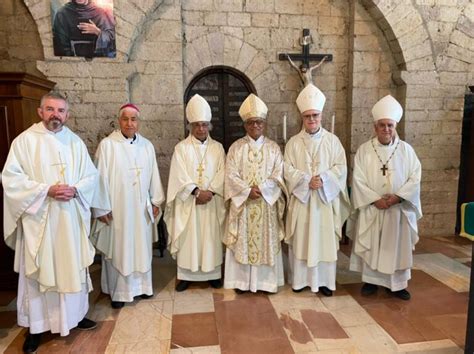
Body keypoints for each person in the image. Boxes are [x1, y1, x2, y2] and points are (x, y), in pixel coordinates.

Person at [2, 92, 99, 353]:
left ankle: (74, 317)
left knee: (72, 267)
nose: (56, 115)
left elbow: (91, 176)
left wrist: (76, 189)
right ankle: (36, 328)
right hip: (39, 221)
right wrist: (46, 190)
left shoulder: (75, 142)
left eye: (61, 110)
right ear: (40, 111)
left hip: (69, 220)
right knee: (39, 272)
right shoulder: (24, 142)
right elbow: (11, 179)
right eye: (50, 109)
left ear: (67, 114)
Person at [348, 95, 422, 301]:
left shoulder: (407, 151)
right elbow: (358, 179)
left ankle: (397, 285)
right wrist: (374, 199)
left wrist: (397, 198)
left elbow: (415, 177)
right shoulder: (364, 150)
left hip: (398, 210)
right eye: (382, 125)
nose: (386, 129)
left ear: (395, 125)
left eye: (390, 125)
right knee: (373, 243)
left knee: (396, 247)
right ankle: (371, 281)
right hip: (374, 208)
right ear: (375, 127)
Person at [91, 103, 164, 309]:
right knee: (120, 247)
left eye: (134, 119)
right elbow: (99, 178)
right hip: (117, 209)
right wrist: (101, 208)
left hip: (141, 208)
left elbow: (153, 175)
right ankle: (118, 292)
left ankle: (142, 287)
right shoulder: (107, 145)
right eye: (126, 119)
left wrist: (156, 200)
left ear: (138, 122)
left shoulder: (147, 146)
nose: (130, 123)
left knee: (140, 248)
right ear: (119, 121)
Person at [284, 84, 350, 296]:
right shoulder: (293, 143)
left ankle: (324, 282)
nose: (312, 120)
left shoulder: (333, 141)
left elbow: (341, 167)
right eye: (307, 116)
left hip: (323, 201)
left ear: (322, 115)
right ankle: (300, 281)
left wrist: (323, 179)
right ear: (302, 118)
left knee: (323, 241)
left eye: (315, 115)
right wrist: (305, 181)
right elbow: (287, 169)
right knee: (302, 240)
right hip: (302, 202)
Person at [223, 93, 287, 294]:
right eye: (251, 123)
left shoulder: (273, 148)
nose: (255, 126)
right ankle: (242, 282)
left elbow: (278, 174)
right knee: (243, 241)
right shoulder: (236, 148)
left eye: (259, 122)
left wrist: (263, 190)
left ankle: (265, 283)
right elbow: (230, 174)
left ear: (264, 124)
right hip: (244, 204)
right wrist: (246, 191)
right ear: (245, 125)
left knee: (265, 242)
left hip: (265, 204)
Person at [164, 94, 226, 292]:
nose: (201, 128)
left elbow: (223, 173)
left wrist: (211, 193)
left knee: (210, 238)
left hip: (212, 202)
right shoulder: (181, 148)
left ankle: (213, 274)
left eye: (204, 124)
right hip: (189, 203)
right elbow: (178, 175)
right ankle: (185, 276)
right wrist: (196, 192)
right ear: (190, 126)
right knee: (189, 238)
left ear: (209, 126)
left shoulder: (218, 148)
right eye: (197, 125)